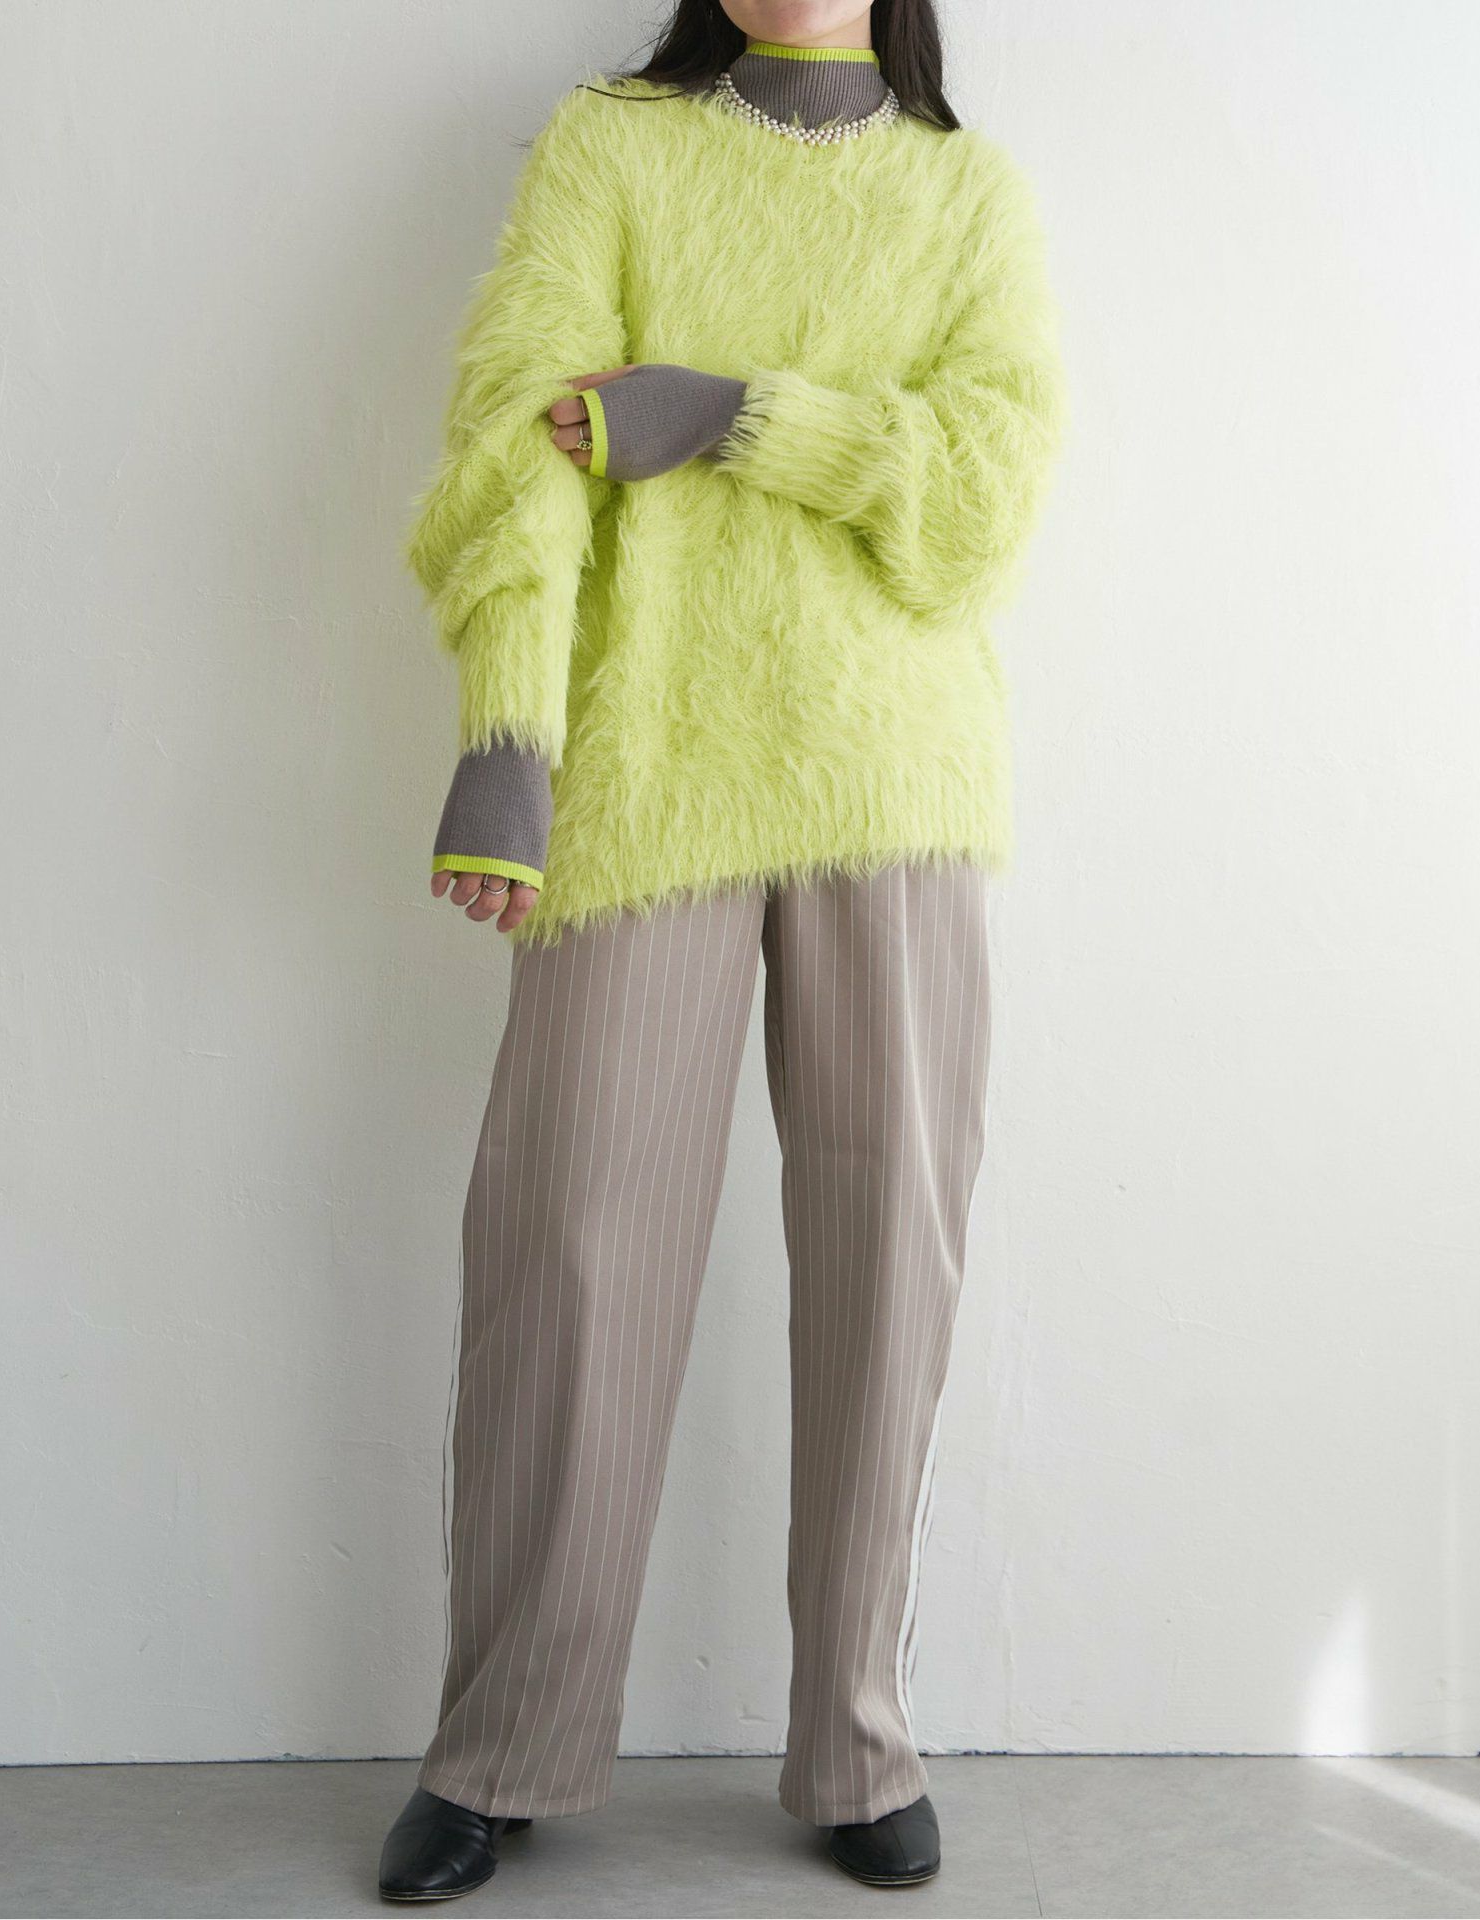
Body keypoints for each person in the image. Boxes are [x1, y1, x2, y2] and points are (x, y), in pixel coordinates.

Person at [378, 0, 1065, 1899]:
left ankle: (859, 1740)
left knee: (888, 1263)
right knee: (567, 1248)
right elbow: (513, 440)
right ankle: (502, 1742)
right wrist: (508, 737)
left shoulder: (969, 195)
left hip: (897, 785)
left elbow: (984, 505)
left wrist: (737, 415)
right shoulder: (612, 144)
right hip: (645, 766)